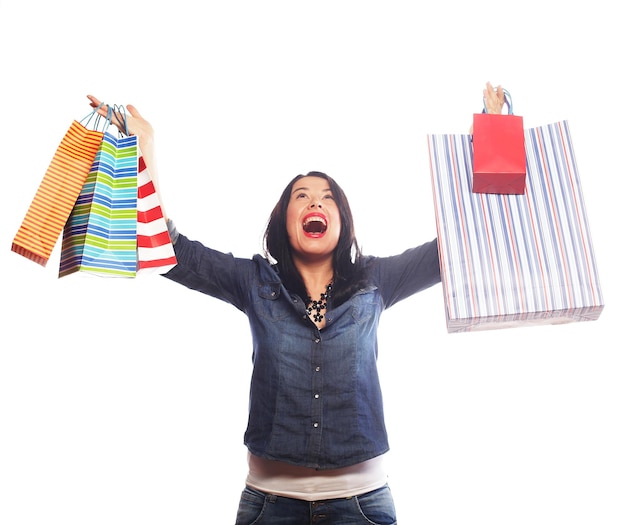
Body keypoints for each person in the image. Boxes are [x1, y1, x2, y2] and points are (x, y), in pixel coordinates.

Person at [87, 81, 504, 525]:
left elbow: (462, 245)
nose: (314, 202)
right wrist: (143, 146)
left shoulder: (375, 280)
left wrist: (495, 138)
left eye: (327, 197)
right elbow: (170, 252)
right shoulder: (253, 281)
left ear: (341, 220)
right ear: (284, 220)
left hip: (362, 505)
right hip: (269, 505)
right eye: (301, 196)